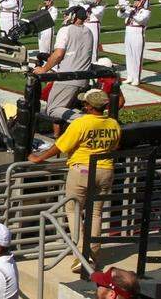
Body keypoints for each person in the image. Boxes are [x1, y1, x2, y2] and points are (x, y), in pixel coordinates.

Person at [29, 89, 120, 271]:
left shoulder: (81, 123)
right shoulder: (113, 123)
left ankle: (82, 254)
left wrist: (39, 158)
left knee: (73, 210)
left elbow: (61, 145)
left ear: (89, 106)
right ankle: (92, 253)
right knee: (96, 213)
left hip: (82, 170)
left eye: (84, 103)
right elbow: (116, 146)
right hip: (106, 170)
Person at [37, 5, 94, 133]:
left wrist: (44, 69)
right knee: (66, 109)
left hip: (67, 78)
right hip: (83, 79)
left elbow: (58, 54)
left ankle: (89, 120)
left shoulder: (66, 30)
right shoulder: (89, 32)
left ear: (74, 16)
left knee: (52, 110)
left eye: (67, 14)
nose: (65, 16)